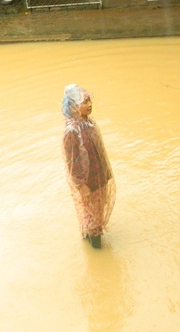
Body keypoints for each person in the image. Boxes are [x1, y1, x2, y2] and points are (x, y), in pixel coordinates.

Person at [61, 84, 116, 249]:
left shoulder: (89, 123)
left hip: (100, 176)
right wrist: (81, 184)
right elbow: (72, 162)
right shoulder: (71, 131)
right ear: (73, 106)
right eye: (84, 102)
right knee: (92, 216)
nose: (89, 104)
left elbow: (99, 151)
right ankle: (96, 250)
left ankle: (90, 239)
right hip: (88, 182)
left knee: (97, 211)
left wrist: (106, 173)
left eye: (89, 100)